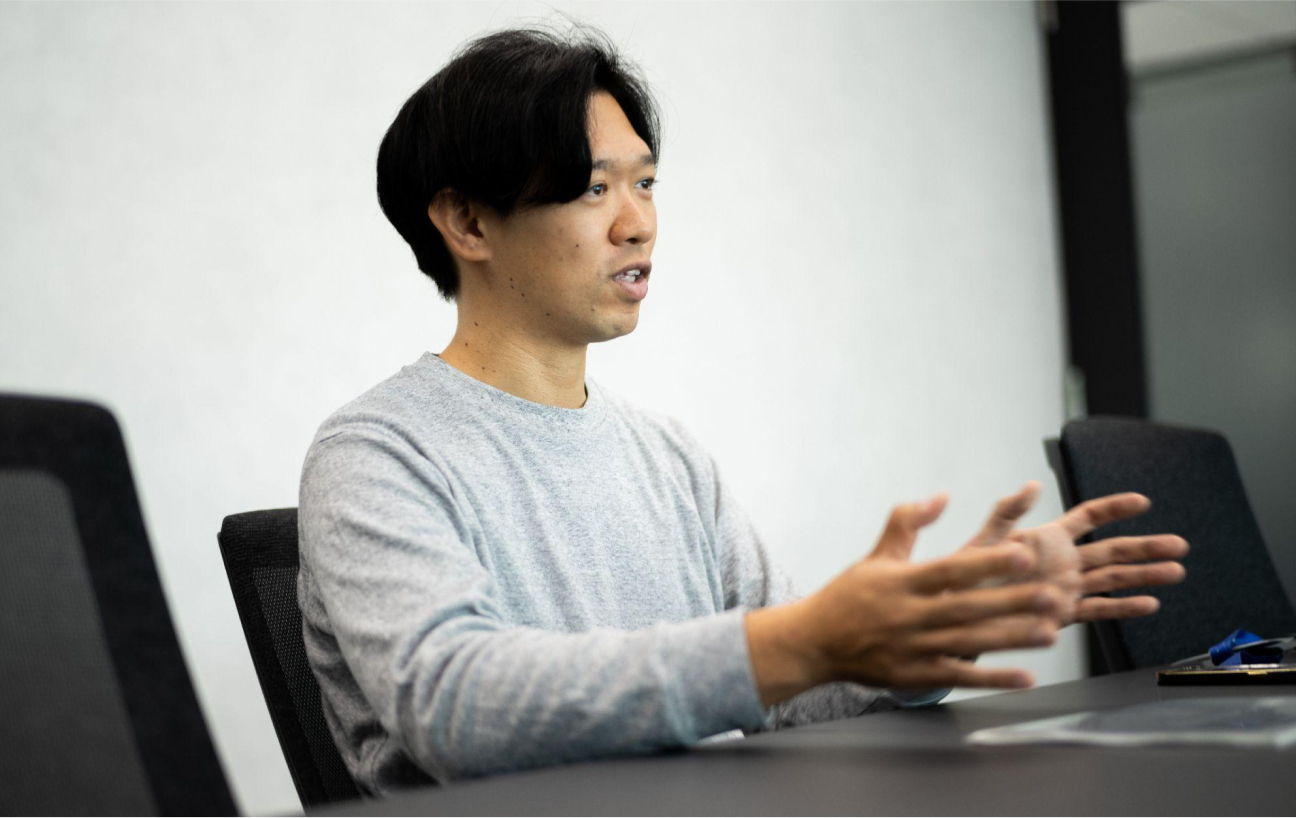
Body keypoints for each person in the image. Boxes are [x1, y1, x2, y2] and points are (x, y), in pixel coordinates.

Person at [297, 24, 1188, 795]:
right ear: (467, 223)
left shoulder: (668, 455)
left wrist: (916, 636)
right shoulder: (376, 454)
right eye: (595, 188)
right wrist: (794, 643)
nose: (638, 223)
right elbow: (456, 708)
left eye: (646, 183)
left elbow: (789, 698)